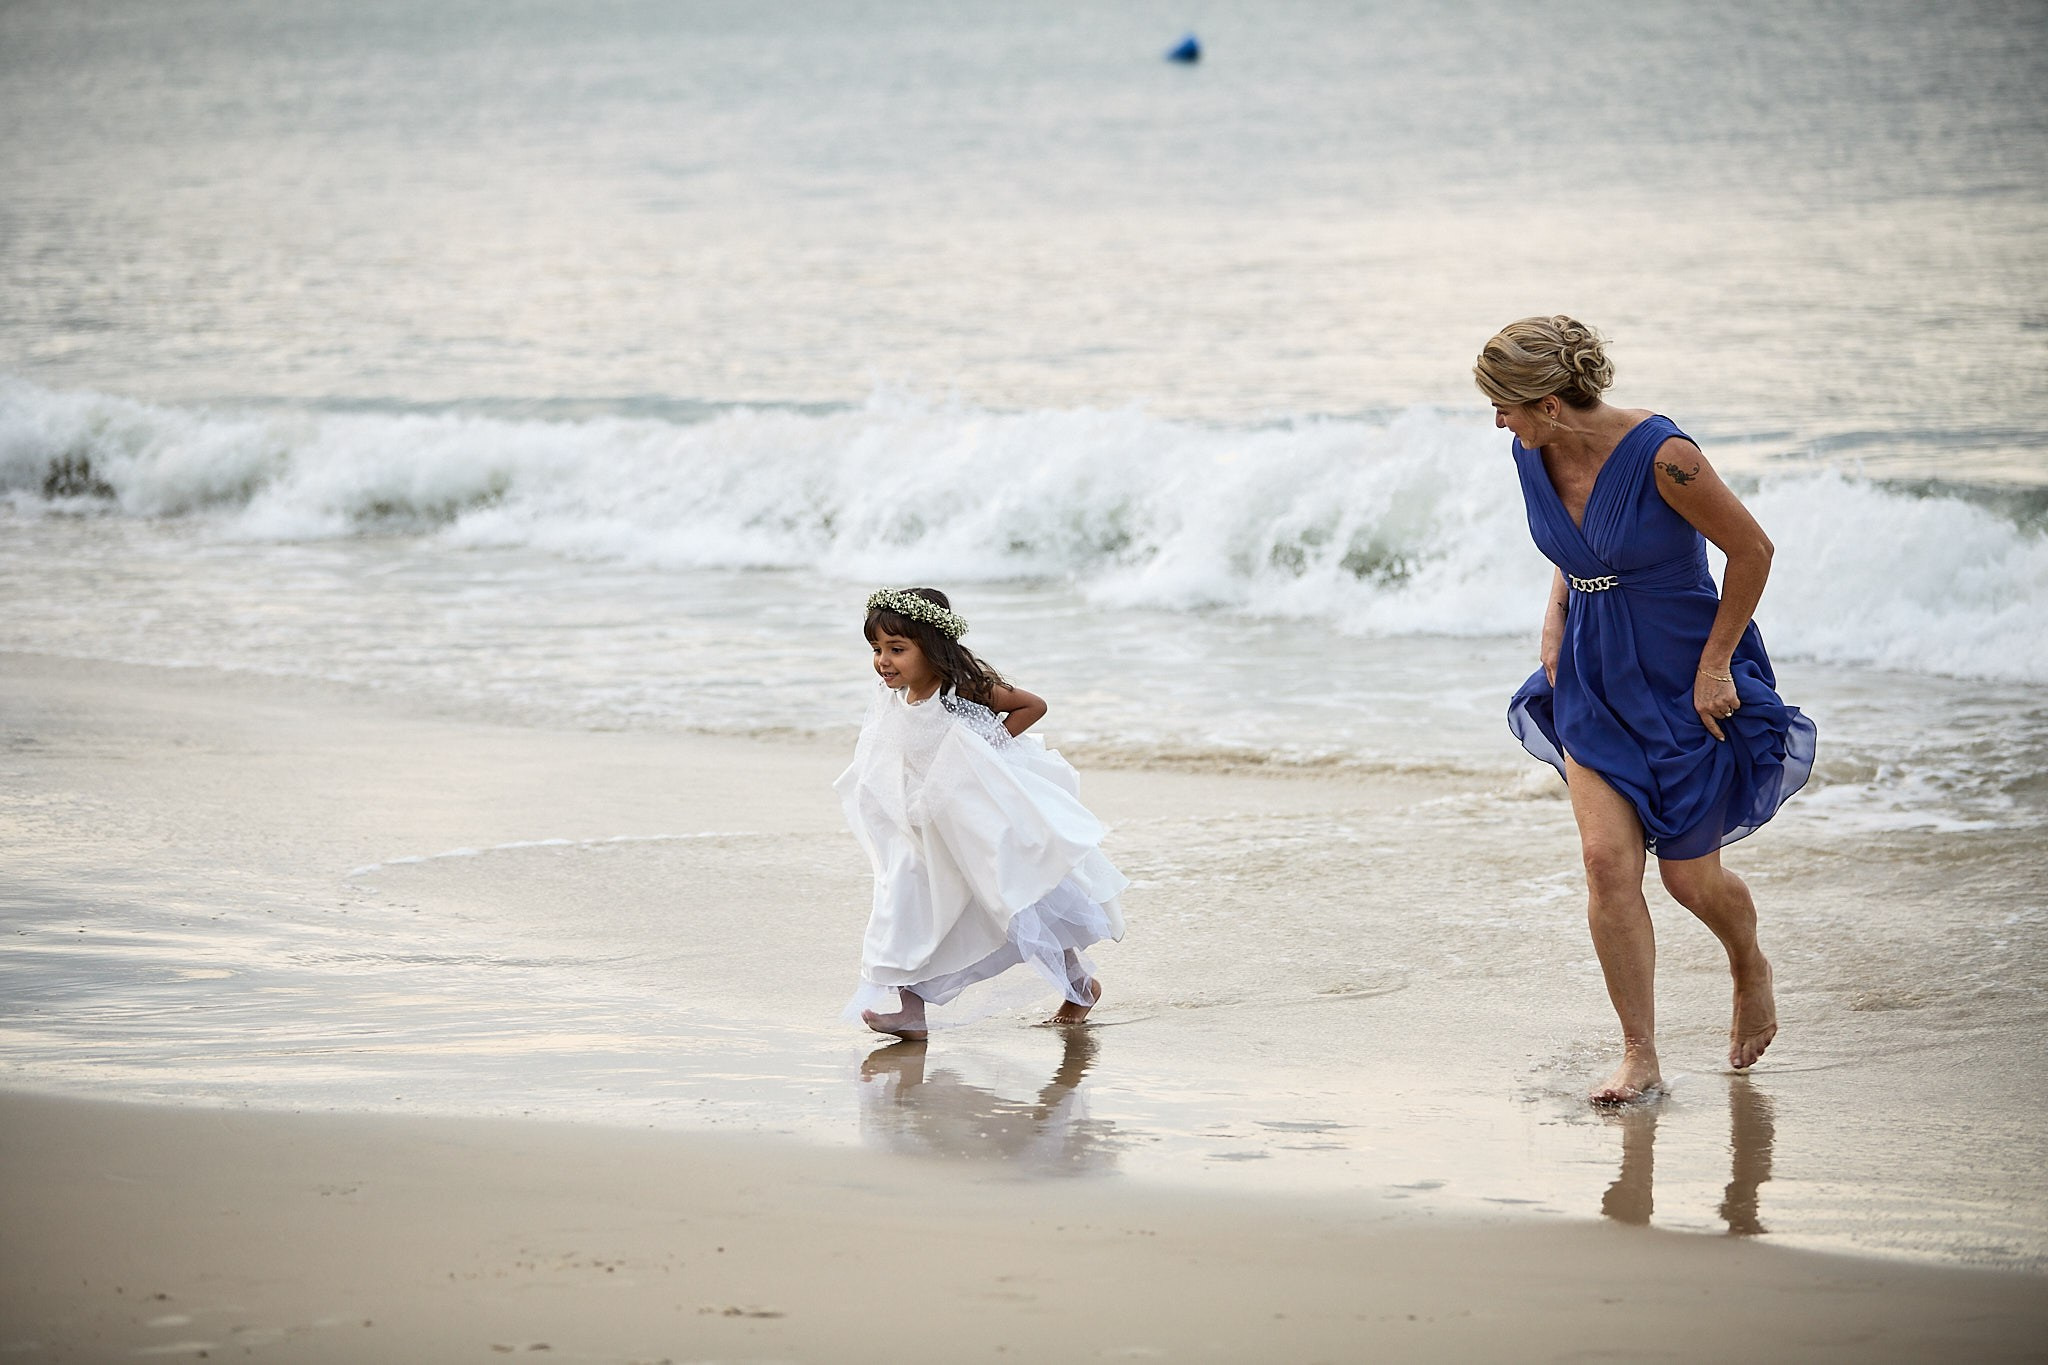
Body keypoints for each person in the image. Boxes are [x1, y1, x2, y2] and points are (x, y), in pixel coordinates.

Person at [1474, 316, 1816, 1104]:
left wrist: (1715, 664)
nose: (1498, 420)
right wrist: (1557, 612)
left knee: (1690, 879)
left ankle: (1748, 964)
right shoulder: (1532, 451)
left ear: (1551, 402)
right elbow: (1579, 547)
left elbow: (1753, 551)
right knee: (1606, 864)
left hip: (1682, 676)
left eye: (1505, 405)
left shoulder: (1667, 458)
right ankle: (1641, 1054)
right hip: (1593, 675)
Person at [836, 587, 1127, 1039]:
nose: (883, 661)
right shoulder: (894, 696)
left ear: (931, 647)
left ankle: (1079, 985)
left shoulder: (959, 690)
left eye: (897, 649)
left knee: (1018, 899)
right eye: (877, 650)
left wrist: (982, 750)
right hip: (920, 822)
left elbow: (1033, 706)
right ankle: (910, 1011)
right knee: (905, 901)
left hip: (971, 818)